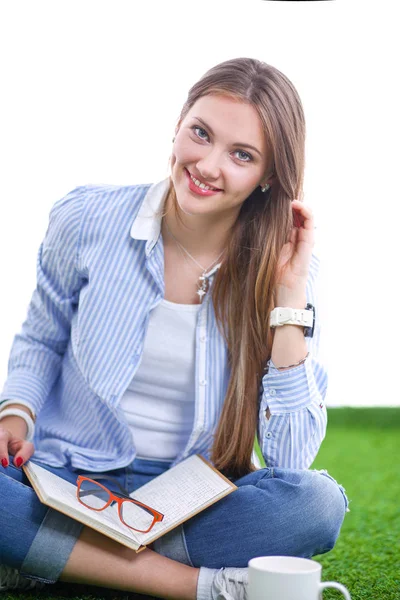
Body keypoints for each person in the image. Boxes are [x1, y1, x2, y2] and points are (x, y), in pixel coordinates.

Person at [0, 57, 349, 600]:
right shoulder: (87, 217)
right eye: (200, 133)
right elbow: (42, 337)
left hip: (189, 499)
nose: (208, 165)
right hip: (65, 477)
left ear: (269, 175)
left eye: (241, 155)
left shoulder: (288, 270)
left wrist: (287, 295)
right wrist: (16, 413)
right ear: (179, 122)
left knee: (316, 503)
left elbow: (290, 459)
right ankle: (194, 586)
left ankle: (53, 555)